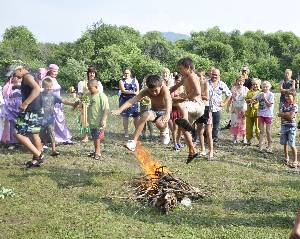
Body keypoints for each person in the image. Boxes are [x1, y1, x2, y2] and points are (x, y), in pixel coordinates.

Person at [111, 74, 172, 151]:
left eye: (156, 90)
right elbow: (132, 101)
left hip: (165, 111)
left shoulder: (165, 89)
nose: (154, 93)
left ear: (161, 86)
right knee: (144, 115)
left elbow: (168, 100)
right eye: (151, 91)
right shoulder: (146, 91)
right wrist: (119, 110)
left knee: (159, 123)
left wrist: (167, 114)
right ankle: (133, 142)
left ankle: (165, 131)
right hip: (154, 110)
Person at [6, 61, 44, 168]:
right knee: (34, 133)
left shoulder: (27, 77)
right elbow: (34, 86)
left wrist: (25, 103)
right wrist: (18, 87)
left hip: (31, 109)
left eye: (14, 73)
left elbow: (37, 89)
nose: (14, 76)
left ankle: (38, 155)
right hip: (37, 108)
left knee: (17, 134)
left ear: (20, 69)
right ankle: (36, 159)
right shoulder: (30, 75)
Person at [169, 57, 205, 163]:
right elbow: (174, 87)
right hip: (192, 107)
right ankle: (192, 151)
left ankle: (184, 120)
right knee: (183, 129)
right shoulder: (185, 78)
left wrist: (186, 96)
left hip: (197, 104)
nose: (179, 71)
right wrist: (165, 91)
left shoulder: (192, 76)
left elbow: (198, 92)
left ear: (188, 67)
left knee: (180, 104)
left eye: (180, 68)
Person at [40, 78, 78, 156]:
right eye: (47, 87)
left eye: (50, 87)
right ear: (43, 86)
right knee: (41, 135)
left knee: (52, 134)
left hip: (50, 119)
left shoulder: (53, 95)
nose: (49, 88)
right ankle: (40, 150)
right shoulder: (40, 95)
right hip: (41, 119)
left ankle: (53, 150)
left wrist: (72, 103)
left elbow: (63, 101)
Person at [43, 64, 75, 145]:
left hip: (58, 103)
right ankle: (48, 140)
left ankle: (64, 138)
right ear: (49, 71)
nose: (56, 73)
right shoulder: (47, 79)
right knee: (52, 121)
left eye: (57, 71)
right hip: (50, 103)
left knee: (60, 120)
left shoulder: (54, 79)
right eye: (54, 71)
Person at [77, 67, 103, 142]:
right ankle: (86, 136)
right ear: (88, 73)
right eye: (90, 73)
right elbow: (80, 94)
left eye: (93, 73)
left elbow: (100, 94)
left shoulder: (98, 83)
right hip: (85, 103)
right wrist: (80, 103)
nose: (92, 74)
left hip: (95, 103)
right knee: (85, 119)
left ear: (95, 74)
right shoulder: (82, 83)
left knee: (95, 118)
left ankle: (96, 135)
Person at [85, 79, 109, 160]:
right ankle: (95, 151)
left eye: (90, 88)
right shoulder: (88, 94)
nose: (89, 90)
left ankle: (98, 152)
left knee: (97, 137)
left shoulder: (101, 96)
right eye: (88, 88)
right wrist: (77, 104)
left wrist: (102, 120)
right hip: (92, 121)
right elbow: (81, 100)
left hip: (99, 121)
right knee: (94, 137)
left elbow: (106, 109)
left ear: (96, 87)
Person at [205, 68, 232, 142]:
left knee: (216, 125)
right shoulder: (206, 82)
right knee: (206, 124)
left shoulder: (222, 84)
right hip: (207, 107)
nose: (214, 76)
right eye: (213, 74)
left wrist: (224, 103)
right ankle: (205, 138)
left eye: (216, 75)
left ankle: (214, 139)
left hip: (217, 108)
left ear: (219, 75)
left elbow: (229, 94)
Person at [195, 68, 214, 160]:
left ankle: (211, 152)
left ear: (203, 76)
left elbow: (206, 97)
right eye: (197, 76)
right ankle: (203, 150)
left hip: (206, 108)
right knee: (199, 130)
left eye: (200, 76)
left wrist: (198, 95)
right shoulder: (194, 85)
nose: (198, 78)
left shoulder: (206, 84)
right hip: (197, 108)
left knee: (208, 131)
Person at [278, 89, 298, 168]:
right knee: (284, 143)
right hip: (284, 126)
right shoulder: (284, 105)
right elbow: (279, 114)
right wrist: (287, 113)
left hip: (291, 127)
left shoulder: (294, 105)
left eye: (288, 96)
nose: (287, 98)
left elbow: (291, 116)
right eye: (286, 96)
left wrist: (285, 114)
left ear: (293, 96)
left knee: (292, 144)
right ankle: (287, 158)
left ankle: (295, 160)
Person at [252, 81, 274, 153]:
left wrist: (264, 98)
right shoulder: (261, 94)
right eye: (264, 87)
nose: (265, 88)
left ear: (269, 87)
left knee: (268, 131)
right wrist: (260, 92)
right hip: (260, 114)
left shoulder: (271, 94)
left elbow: (270, 104)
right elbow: (253, 98)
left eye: (266, 87)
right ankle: (260, 147)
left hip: (268, 114)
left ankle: (269, 147)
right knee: (261, 131)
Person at [1, 76, 22, 148]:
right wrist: (9, 108)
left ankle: (21, 141)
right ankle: (13, 142)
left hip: (21, 108)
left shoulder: (24, 85)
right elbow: (6, 97)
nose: (17, 78)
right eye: (16, 77)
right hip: (12, 108)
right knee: (12, 125)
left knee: (21, 124)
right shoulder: (8, 85)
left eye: (19, 77)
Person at [227, 75, 249, 143]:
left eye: (241, 81)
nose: (240, 83)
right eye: (238, 81)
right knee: (235, 122)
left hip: (243, 109)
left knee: (244, 123)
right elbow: (230, 99)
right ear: (236, 81)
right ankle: (235, 137)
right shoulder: (233, 89)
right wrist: (227, 107)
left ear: (243, 82)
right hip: (235, 109)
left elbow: (248, 99)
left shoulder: (246, 89)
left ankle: (244, 138)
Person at [118, 67, 139, 138]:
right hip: (124, 100)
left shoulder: (134, 80)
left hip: (134, 100)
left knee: (136, 117)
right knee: (125, 116)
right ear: (123, 74)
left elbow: (138, 90)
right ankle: (126, 132)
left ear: (130, 73)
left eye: (127, 73)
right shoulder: (121, 81)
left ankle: (137, 132)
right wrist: (133, 92)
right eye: (125, 73)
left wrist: (136, 94)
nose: (126, 75)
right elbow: (123, 90)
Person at [244, 78, 261, 145]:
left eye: (256, 84)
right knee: (248, 127)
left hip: (257, 112)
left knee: (258, 128)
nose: (255, 85)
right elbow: (246, 100)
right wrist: (250, 100)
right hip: (249, 112)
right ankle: (248, 140)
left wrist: (255, 101)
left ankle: (260, 141)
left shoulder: (261, 92)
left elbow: (260, 99)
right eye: (254, 84)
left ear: (259, 84)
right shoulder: (249, 92)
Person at [171, 74, 184, 150]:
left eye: (180, 80)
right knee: (175, 127)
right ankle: (175, 143)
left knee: (181, 127)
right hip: (174, 108)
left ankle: (179, 141)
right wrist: (181, 98)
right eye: (178, 80)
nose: (179, 82)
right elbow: (172, 97)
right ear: (175, 81)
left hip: (182, 109)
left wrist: (180, 98)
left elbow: (187, 97)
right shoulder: (173, 88)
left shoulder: (184, 88)